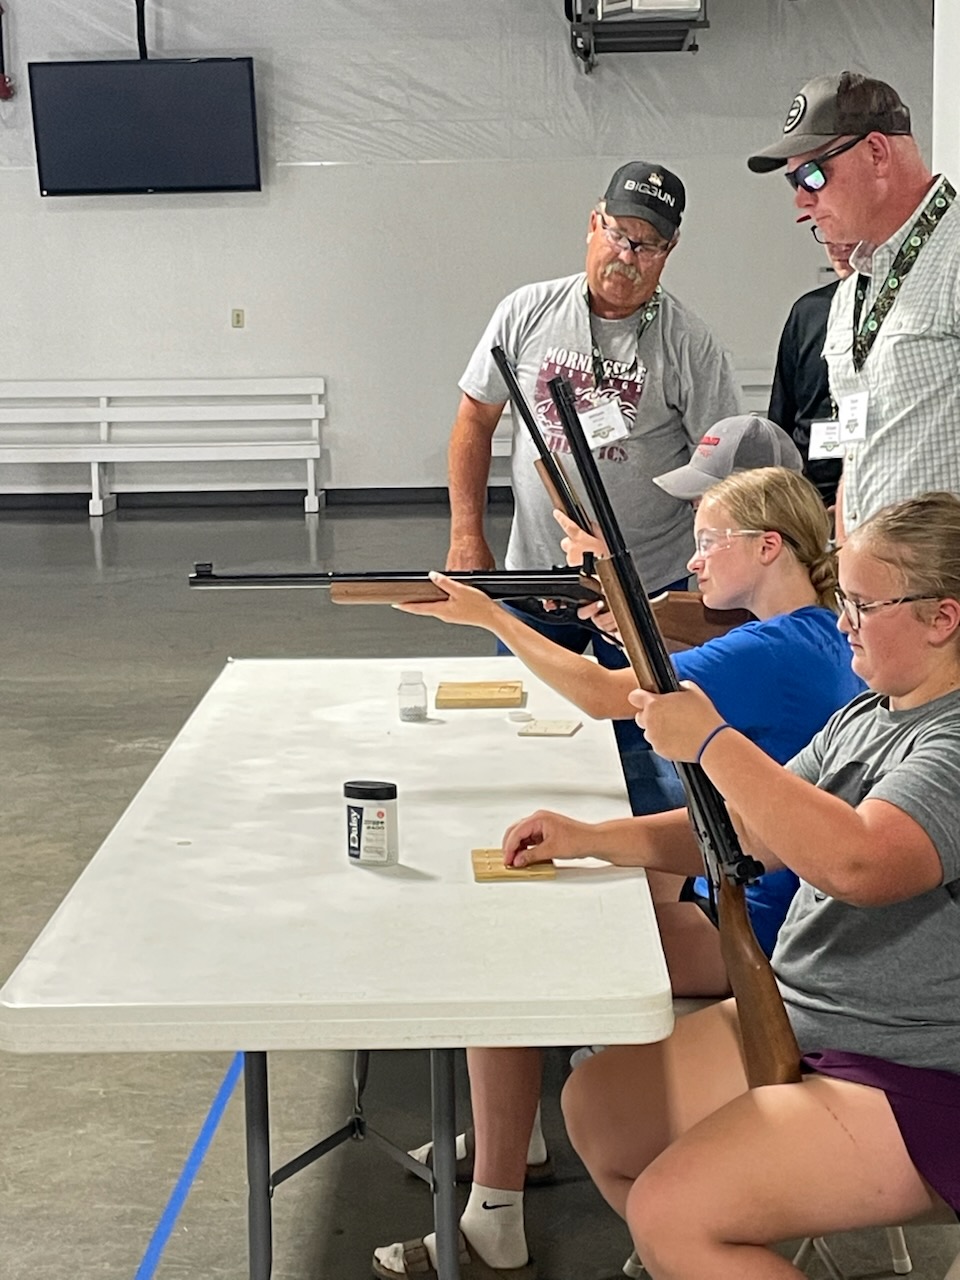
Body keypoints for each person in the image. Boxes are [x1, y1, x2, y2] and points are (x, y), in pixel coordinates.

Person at [371, 467, 863, 1280]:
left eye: (710, 541)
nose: (695, 561)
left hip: (757, 918)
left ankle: (496, 1209)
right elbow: (671, 675)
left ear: (768, 547)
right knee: (550, 913)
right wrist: (617, 616)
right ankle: (509, 1137)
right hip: (748, 888)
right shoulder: (809, 637)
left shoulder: (774, 648)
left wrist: (492, 615)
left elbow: (608, 696)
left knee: (510, 956)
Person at [507, 491, 960, 1278]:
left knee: (674, 1214)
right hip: (806, 1015)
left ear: (942, 618)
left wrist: (712, 741)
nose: (844, 621)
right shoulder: (869, 715)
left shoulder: (950, 743)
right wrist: (592, 839)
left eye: (862, 604)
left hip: (916, 1066)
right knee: (600, 1110)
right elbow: (748, 832)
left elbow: (861, 864)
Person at [446, 159, 742, 602]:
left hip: (646, 584)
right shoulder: (525, 312)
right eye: (618, 235)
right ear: (593, 224)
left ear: (670, 248)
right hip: (535, 572)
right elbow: (474, 419)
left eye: (647, 246)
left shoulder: (690, 343)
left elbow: (719, 469)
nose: (627, 256)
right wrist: (466, 534)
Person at [748, 70, 960, 541]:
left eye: (812, 175)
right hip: (871, 577)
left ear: (877, 153)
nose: (801, 201)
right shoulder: (851, 292)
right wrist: (846, 560)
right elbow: (857, 452)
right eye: (792, 182)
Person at [767, 231, 855, 506]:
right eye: (828, 236)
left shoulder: (899, 310)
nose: (839, 246)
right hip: (806, 495)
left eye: (849, 235)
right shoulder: (808, 311)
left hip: (868, 488)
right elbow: (782, 413)